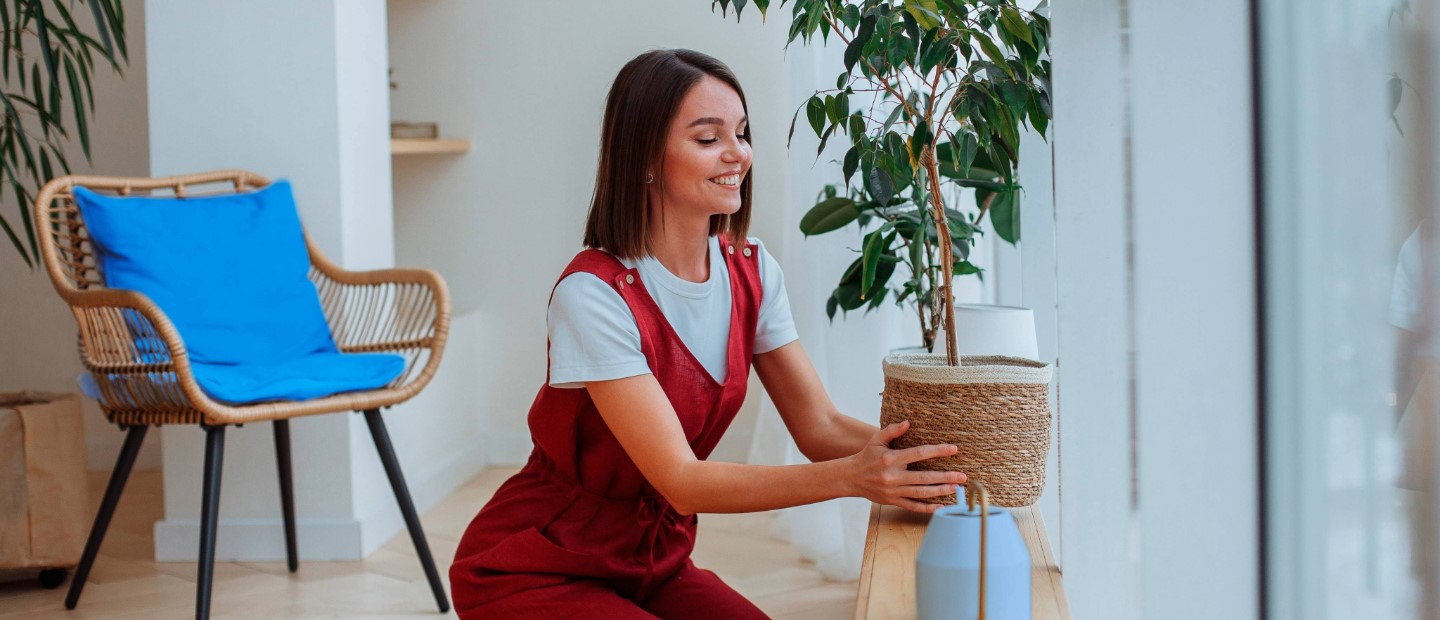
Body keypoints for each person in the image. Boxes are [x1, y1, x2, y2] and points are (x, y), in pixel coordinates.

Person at [448, 48, 966, 619]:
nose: (738, 154)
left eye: (743, 133)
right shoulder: (594, 294)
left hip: (655, 561)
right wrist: (853, 478)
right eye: (707, 138)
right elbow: (683, 481)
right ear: (646, 156)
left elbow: (818, 425)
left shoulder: (752, 270)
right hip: (537, 568)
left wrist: (937, 464)